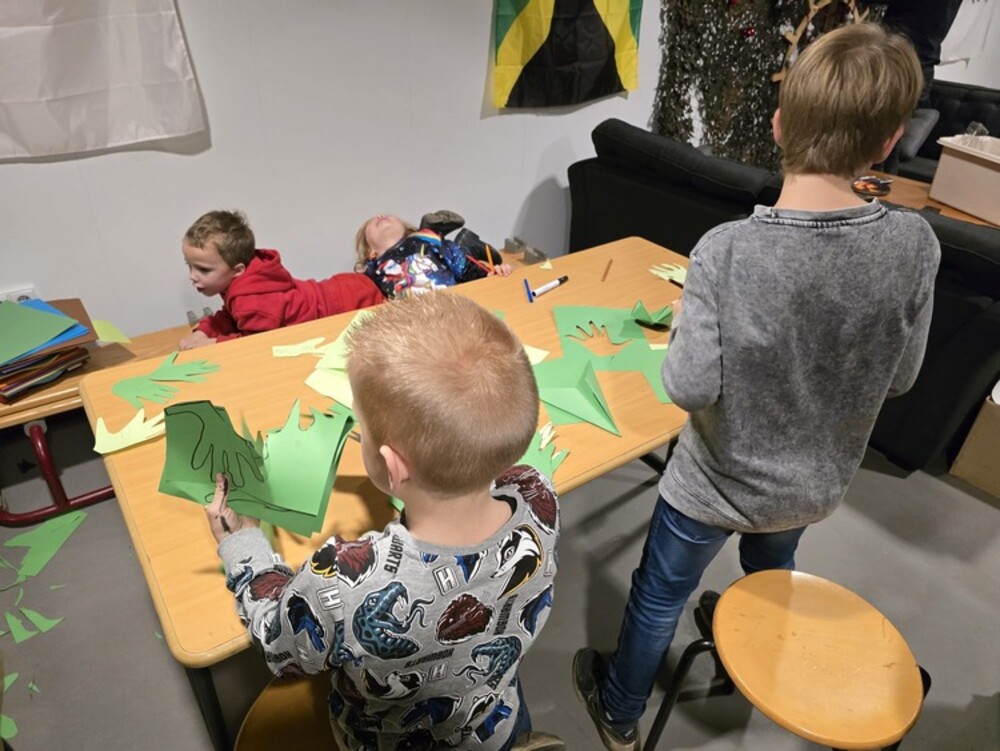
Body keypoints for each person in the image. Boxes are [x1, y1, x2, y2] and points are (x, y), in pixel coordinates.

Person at [573, 23, 940, 751]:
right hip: (813, 484)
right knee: (774, 558)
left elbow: (687, 386)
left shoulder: (727, 250)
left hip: (713, 484)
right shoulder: (915, 244)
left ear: (777, 124)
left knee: (659, 594)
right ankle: (751, 628)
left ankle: (618, 710)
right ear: (889, 141)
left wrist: (688, 331)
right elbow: (900, 377)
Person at [205, 292, 564, 750]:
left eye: (362, 426)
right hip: (493, 721)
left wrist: (244, 546)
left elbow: (279, 646)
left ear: (392, 467)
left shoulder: (343, 578)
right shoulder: (538, 496)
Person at [180, 210, 383, 349]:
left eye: (203, 270)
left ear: (238, 270)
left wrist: (213, 344)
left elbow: (255, 345)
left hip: (350, 302)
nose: (192, 277)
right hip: (344, 288)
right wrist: (204, 330)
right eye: (190, 266)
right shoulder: (246, 278)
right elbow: (231, 315)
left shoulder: (251, 301)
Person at [355, 213, 512, 299]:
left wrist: (490, 275)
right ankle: (467, 243)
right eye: (371, 223)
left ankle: (467, 245)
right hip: (422, 321)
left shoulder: (423, 240)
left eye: (388, 215)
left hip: (457, 303)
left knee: (457, 254)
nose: (380, 216)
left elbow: (464, 266)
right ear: (371, 252)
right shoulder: (373, 271)